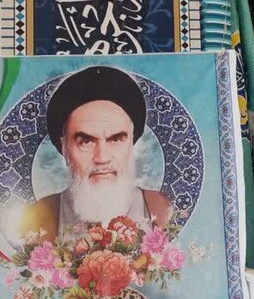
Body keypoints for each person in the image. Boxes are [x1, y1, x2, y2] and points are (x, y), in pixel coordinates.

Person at [20, 66, 171, 239]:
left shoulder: (162, 209)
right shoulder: (36, 220)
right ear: (65, 148)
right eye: (86, 142)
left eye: (116, 139)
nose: (102, 158)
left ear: (131, 142)